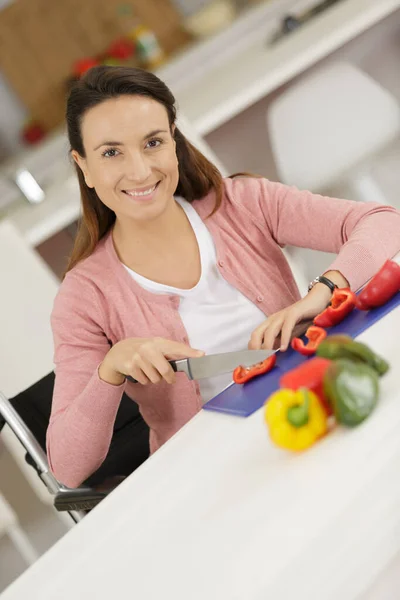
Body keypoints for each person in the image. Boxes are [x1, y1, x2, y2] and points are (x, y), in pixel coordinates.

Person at [47, 66, 400, 488]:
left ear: (174, 141)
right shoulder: (83, 297)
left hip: (312, 415)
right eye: (111, 153)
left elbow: (383, 221)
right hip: (217, 477)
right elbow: (67, 467)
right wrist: (110, 369)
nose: (140, 171)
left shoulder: (243, 204)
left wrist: (323, 291)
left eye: (153, 143)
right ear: (82, 165)